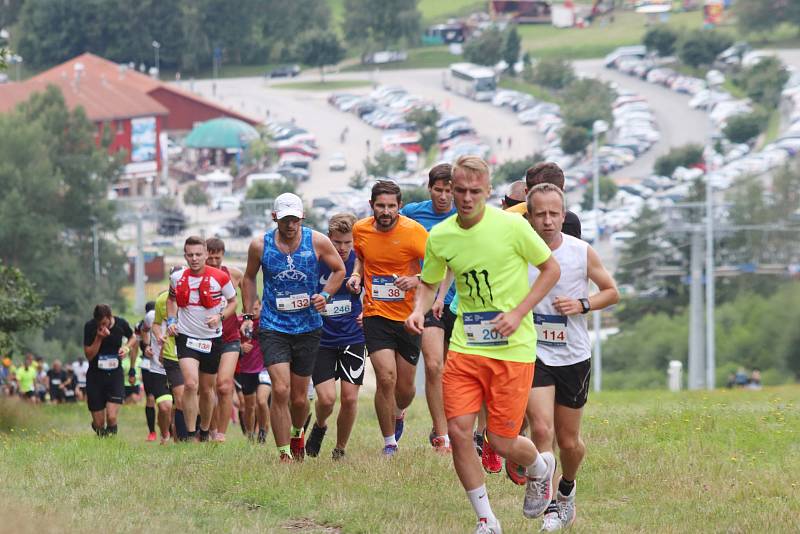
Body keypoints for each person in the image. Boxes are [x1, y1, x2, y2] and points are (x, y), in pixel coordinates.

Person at [405, 155, 561, 534]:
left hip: (512, 350)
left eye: (476, 191)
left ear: (488, 192)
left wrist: (520, 311)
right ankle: (486, 519)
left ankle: (541, 466)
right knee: (459, 431)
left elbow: (550, 269)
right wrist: (418, 309)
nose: (467, 198)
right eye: (460, 190)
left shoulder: (511, 227)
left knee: (502, 440)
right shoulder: (441, 235)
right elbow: (429, 280)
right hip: (466, 346)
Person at [525, 183, 619, 531]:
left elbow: (612, 292)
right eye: (540, 214)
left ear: (563, 216)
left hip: (573, 354)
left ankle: (567, 488)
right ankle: (547, 499)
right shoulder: (520, 252)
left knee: (569, 442)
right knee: (541, 428)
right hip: (534, 351)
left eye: (554, 213)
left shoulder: (581, 252)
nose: (547, 221)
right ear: (530, 217)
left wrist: (582, 304)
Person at [241, 192, 346, 461]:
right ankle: (284, 454)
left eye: (295, 220)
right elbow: (249, 277)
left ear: (302, 218)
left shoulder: (317, 241)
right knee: (280, 390)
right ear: (275, 218)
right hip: (273, 325)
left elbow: (339, 270)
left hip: (308, 327)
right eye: (285, 220)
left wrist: (325, 295)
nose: (290, 225)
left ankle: (297, 433)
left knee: (299, 399)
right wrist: (248, 312)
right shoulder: (260, 245)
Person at [348, 180, 428, 456]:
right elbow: (361, 258)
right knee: (385, 377)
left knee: (405, 390)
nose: (385, 211)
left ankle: (399, 412)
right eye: (380, 206)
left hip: (408, 318)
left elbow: (437, 268)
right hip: (375, 313)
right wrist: (357, 274)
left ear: (400, 207)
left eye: (391, 206)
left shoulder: (414, 232)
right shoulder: (360, 229)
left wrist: (415, 279)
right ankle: (389, 443)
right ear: (372, 206)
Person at [399, 163, 458, 452]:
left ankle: (463, 429)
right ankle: (442, 434)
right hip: (425, 300)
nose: (444, 196)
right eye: (439, 190)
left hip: (460, 302)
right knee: (434, 365)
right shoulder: (412, 213)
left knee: (454, 369)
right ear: (430, 188)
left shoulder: (464, 215)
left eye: (449, 191)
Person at [305, 213, 366, 460]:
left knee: (350, 399)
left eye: (347, 243)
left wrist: (368, 313)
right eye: (338, 242)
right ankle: (320, 425)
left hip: (353, 336)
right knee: (327, 399)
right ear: (329, 238)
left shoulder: (361, 262)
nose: (342, 248)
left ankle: (340, 449)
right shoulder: (316, 260)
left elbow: (373, 290)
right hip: (322, 338)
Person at [167, 236, 238, 442]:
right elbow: (172, 300)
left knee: (207, 390)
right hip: (186, 337)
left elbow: (234, 302)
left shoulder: (220, 278)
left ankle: (205, 430)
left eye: (198, 254)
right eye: (190, 255)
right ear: (185, 256)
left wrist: (220, 316)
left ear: (206, 254)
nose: (195, 259)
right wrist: (172, 320)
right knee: (190, 384)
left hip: (211, 339)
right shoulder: (177, 277)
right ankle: (189, 434)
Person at [205, 237, 244, 443]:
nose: (212, 262)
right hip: (206, 338)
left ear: (223, 256)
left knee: (224, 385)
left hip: (230, 338)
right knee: (208, 388)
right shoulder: (198, 276)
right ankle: (210, 429)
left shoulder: (234, 274)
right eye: (209, 258)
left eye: (216, 258)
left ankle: (221, 433)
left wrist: (246, 318)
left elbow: (248, 295)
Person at [83, 304, 137, 436]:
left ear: (110, 317)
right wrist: (99, 337)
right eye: (99, 324)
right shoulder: (90, 327)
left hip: (115, 375)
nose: (102, 326)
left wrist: (126, 348)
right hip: (95, 376)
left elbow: (133, 337)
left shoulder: (121, 323)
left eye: (104, 323)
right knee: (99, 424)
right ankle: (99, 431)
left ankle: (110, 444)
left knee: (112, 417)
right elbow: (89, 355)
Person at [505, 162, 582, 240]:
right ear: (562, 192)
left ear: (527, 193)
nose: (547, 222)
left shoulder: (508, 220)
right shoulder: (570, 221)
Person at [152, 287, 189, 441]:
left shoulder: (194, 295)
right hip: (170, 357)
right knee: (179, 399)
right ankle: (181, 438)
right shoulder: (161, 301)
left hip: (193, 352)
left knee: (195, 397)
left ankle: (200, 433)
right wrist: (159, 336)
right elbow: (155, 324)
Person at [236, 300, 272, 443]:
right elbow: (230, 340)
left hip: (264, 368)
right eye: (252, 309)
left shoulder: (267, 321)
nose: (255, 311)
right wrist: (240, 346)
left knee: (262, 401)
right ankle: (250, 435)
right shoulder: (240, 322)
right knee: (249, 406)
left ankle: (262, 432)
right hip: (246, 370)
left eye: (257, 308)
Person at [141, 301, 175, 445]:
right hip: (158, 368)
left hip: (179, 366)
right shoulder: (151, 316)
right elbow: (143, 329)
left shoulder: (187, 315)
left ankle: (178, 434)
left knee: (176, 405)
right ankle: (165, 434)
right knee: (164, 406)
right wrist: (147, 346)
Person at [136, 302, 158, 441]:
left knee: (156, 398)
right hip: (147, 363)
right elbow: (135, 344)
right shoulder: (140, 326)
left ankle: (158, 430)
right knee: (150, 397)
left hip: (162, 362)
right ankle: (152, 431)